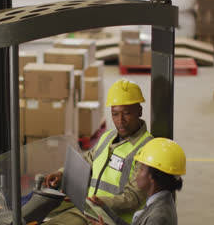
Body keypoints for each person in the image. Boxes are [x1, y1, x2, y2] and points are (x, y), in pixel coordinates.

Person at [43, 79, 153, 225]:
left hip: (111, 219)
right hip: (89, 211)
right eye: (115, 114)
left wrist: (101, 202)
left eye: (126, 113)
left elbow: (133, 198)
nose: (120, 120)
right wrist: (62, 173)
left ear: (139, 111)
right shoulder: (108, 137)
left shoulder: (147, 148)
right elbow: (87, 160)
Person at [88, 138, 186, 225]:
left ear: (152, 177)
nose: (137, 172)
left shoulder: (158, 217)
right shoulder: (158, 201)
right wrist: (104, 207)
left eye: (142, 168)